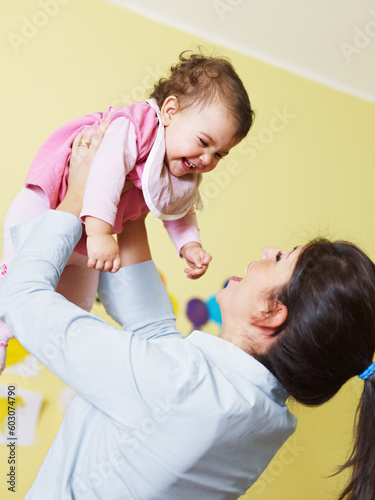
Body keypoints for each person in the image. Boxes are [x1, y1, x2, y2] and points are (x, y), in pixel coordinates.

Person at [1, 111, 374, 500]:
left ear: (271, 313)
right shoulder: (265, 420)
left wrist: (80, 192)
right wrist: (134, 185)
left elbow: (22, 297)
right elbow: (154, 334)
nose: (268, 250)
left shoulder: (182, 385)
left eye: (282, 259)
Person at [0, 50, 255, 374]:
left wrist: (188, 245)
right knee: (22, 269)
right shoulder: (137, 127)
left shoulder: (182, 166)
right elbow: (103, 173)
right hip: (49, 204)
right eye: (204, 142)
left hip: (83, 240)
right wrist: (100, 232)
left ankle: (18, 335)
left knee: (71, 308)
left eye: (220, 153)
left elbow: (179, 209)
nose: (206, 159)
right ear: (170, 111)